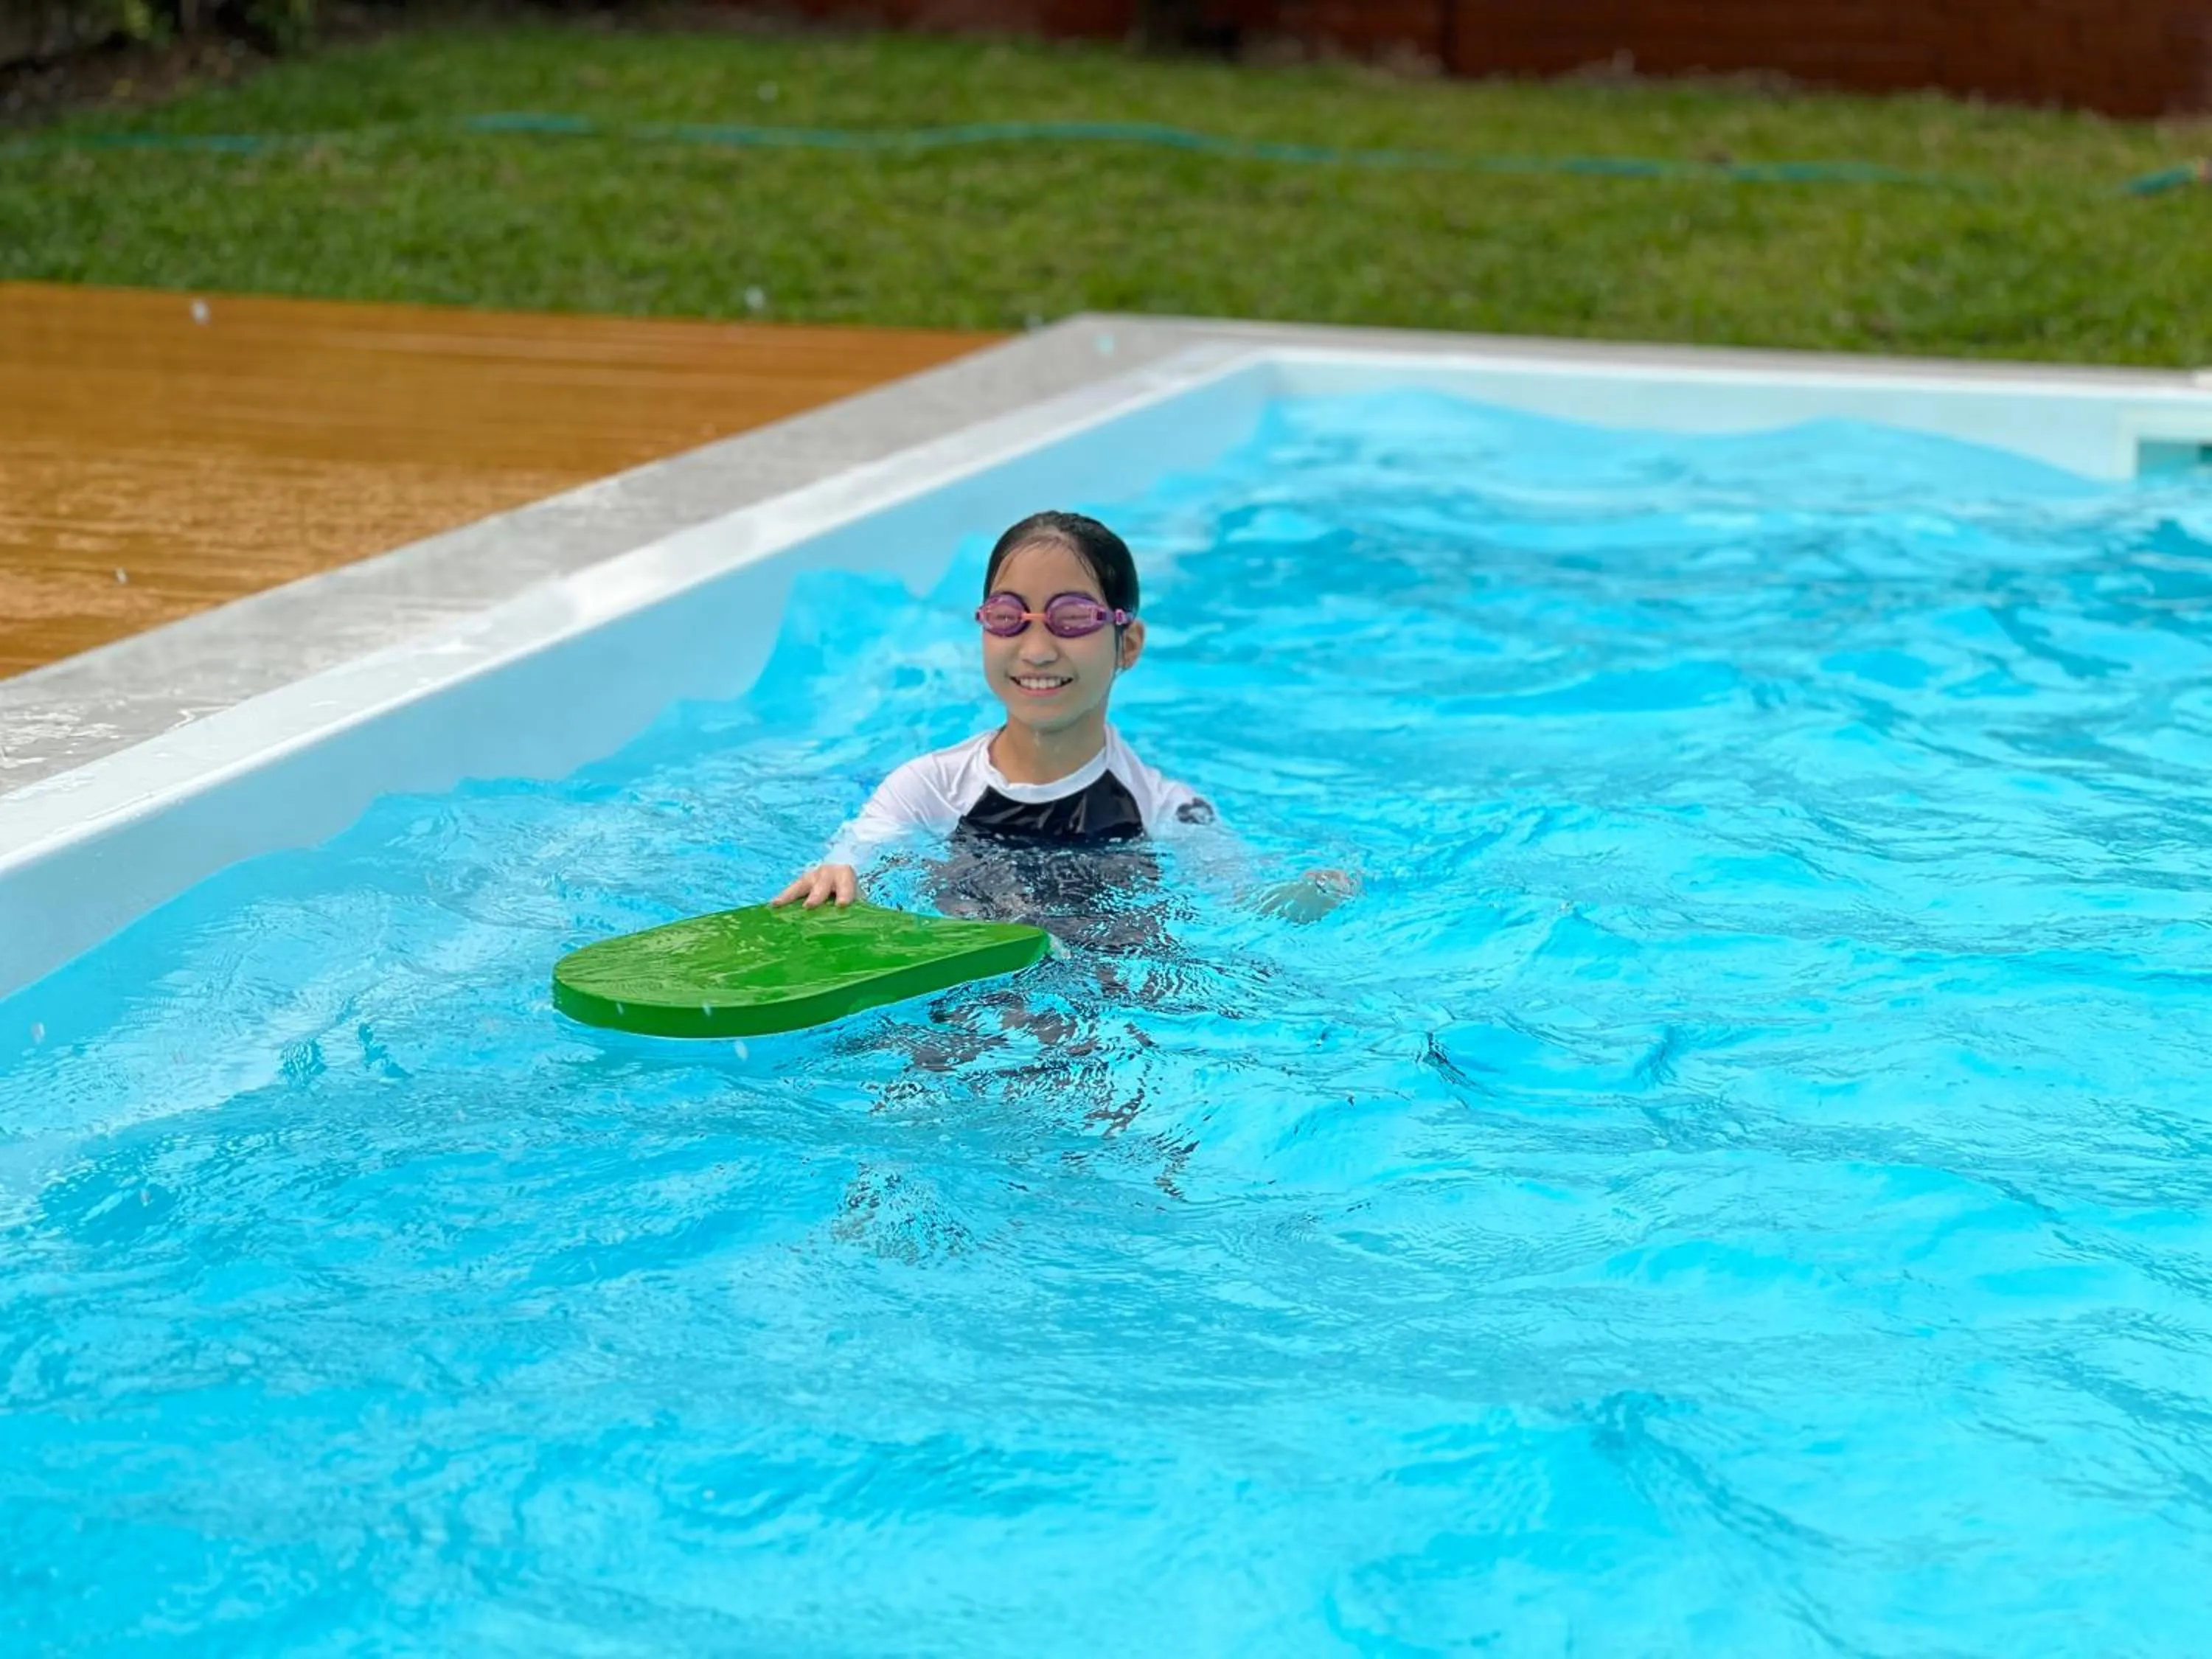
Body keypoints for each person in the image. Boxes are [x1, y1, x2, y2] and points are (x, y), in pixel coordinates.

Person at [772, 510, 1357, 925]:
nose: (1036, 648)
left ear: (1127, 645)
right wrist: (837, 876)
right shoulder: (928, 787)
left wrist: (1308, 896)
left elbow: (1241, 903)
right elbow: (852, 861)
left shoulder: (1166, 809)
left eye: (1071, 617)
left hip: (1111, 1007)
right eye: (1008, 616)